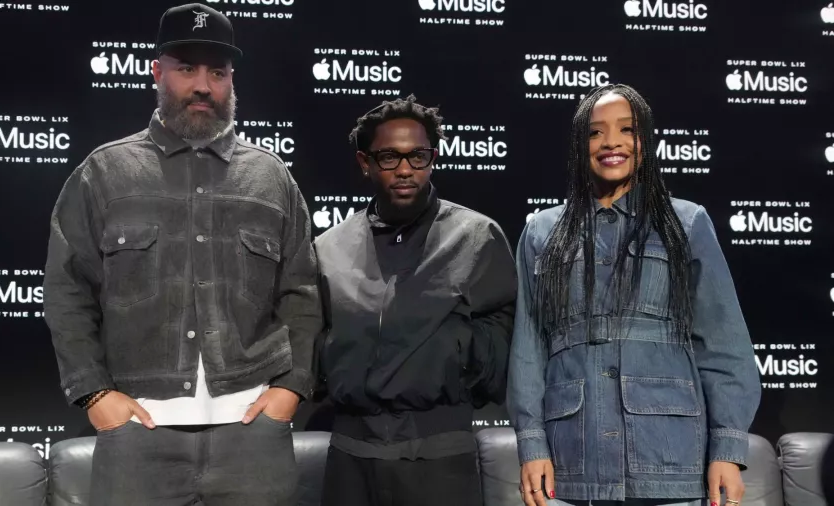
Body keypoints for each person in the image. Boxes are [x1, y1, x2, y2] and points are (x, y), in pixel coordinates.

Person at [43, 4, 322, 505]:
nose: (203, 86)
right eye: (187, 68)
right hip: (137, 438)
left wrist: (291, 389)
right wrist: (96, 395)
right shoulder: (105, 173)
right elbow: (67, 292)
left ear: (231, 80)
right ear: (157, 72)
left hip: (253, 436)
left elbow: (302, 292)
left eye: (217, 72)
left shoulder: (270, 177)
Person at [507, 83, 761, 506]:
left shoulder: (687, 223)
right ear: (578, 144)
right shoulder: (541, 232)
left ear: (645, 140)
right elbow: (529, 349)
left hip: (671, 460)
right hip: (574, 461)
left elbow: (723, 344)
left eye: (628, 129)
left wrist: (728, 452)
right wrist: (532, 443)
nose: (612, 142)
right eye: (595, 132)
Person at [313, 95, 517, 506]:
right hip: (352, 453)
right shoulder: (328, 248)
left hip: (441, 453)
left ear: (433, 159)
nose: (405, 169)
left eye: (417, 156)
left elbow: (502, 341)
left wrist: (450, 360)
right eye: (389, 157)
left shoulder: (476, 238)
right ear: (364, 162)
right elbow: (313, 339)